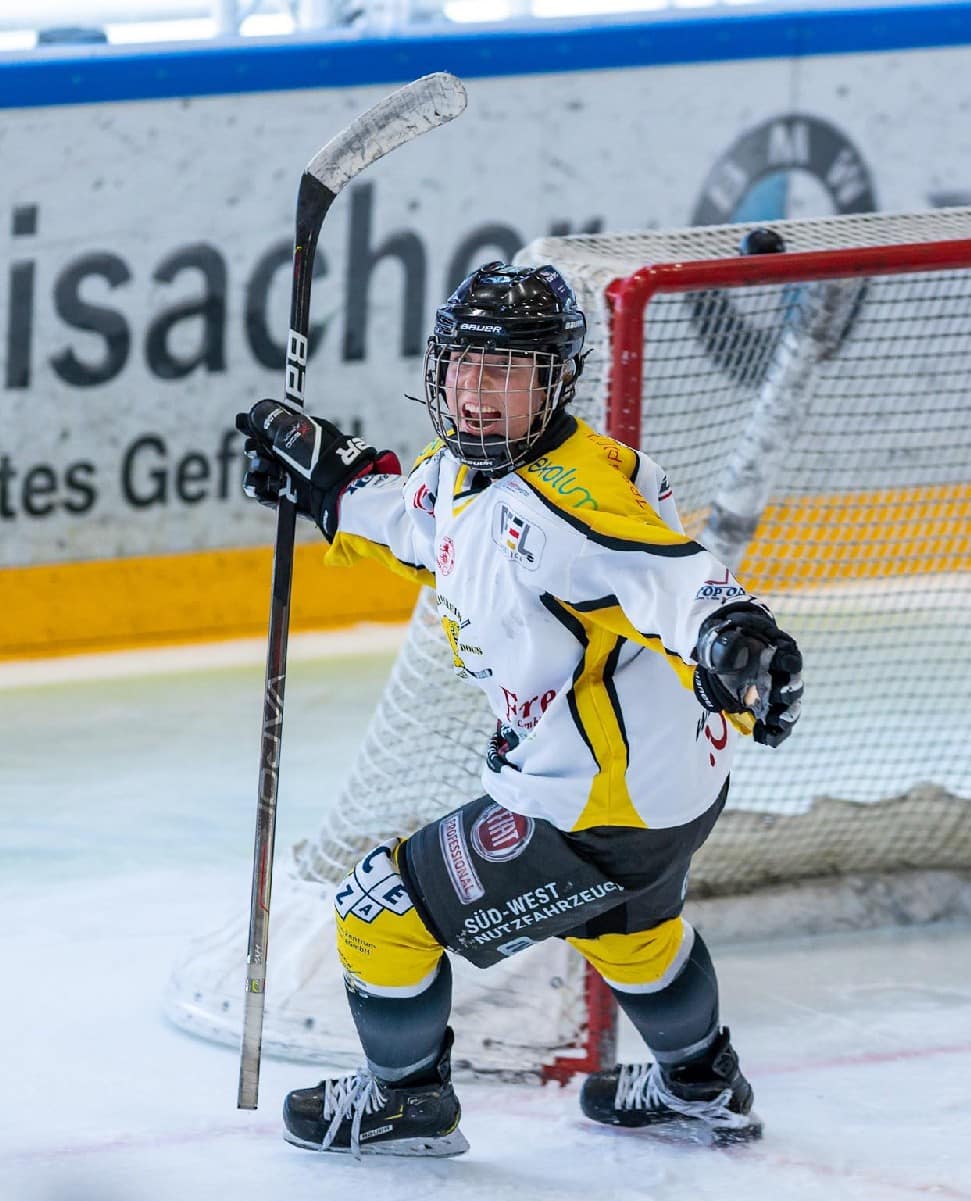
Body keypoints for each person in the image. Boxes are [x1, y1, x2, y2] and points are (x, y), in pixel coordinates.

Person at [234, 262, 804, 1157]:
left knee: (379, 908)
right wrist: (328, 484)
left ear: (554, 381)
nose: (473, 388)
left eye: (504, 370)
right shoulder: (471, 472)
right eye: (463, 362)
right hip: (671, 787)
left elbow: (668, 575)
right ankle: (703, 1086)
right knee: (633, 934)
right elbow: (423, 523)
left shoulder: (574, 499)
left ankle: (405, 1102)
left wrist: (736, 635)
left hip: (597, 807)